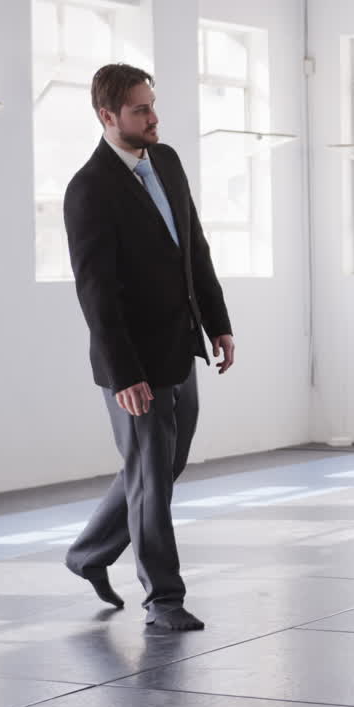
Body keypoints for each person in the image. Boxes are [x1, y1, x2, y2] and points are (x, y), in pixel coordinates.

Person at [62, 63, 234, 632]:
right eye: (140, 109)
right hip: (133, 366)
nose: (153, 117)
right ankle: (164, 599)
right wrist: (124, 374)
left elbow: (195, 248)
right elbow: (97, 293)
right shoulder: (89, 189)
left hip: (179, 348)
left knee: (163, 465)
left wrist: (218, 323)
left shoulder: (167, 161)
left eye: (152, 105)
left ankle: (88, 553)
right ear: (108, 117)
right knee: (152, 479)